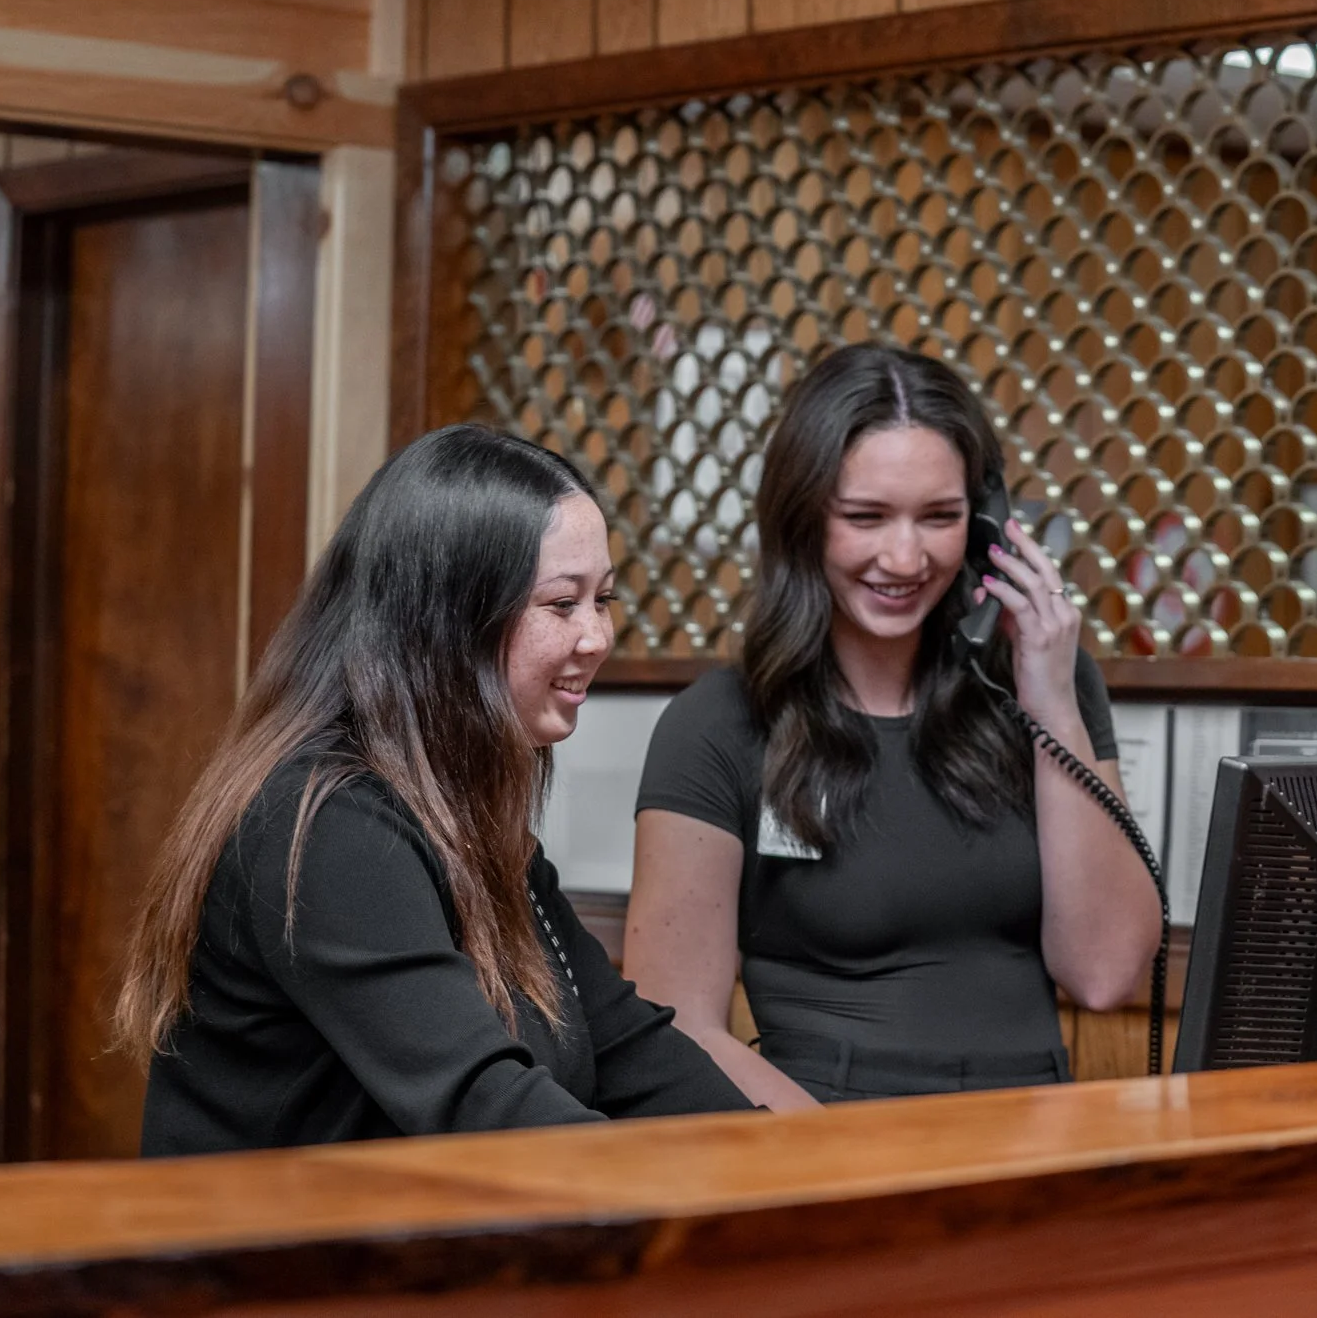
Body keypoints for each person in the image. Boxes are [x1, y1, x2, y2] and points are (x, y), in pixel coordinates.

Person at [116, 425, 752, 1156]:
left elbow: (629, 1049)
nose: (597, 636)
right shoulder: (327, 823)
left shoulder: (473, 818)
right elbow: (483, 1104)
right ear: (449, 620)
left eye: (602, 598)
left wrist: (772, 1164)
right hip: (297, 1229)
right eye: (561, 604)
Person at [623, 344, 1163, 1108]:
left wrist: (1050, 699)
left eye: (940, 517)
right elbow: (678, 1023)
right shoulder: (719, 722)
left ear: (988, 525)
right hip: (821, 1133)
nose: (905, 558)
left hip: (1030, 1130)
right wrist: (843, 1153)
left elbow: (1105, 973)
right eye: (866, 517)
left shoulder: (1048, 692)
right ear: (804, 517)